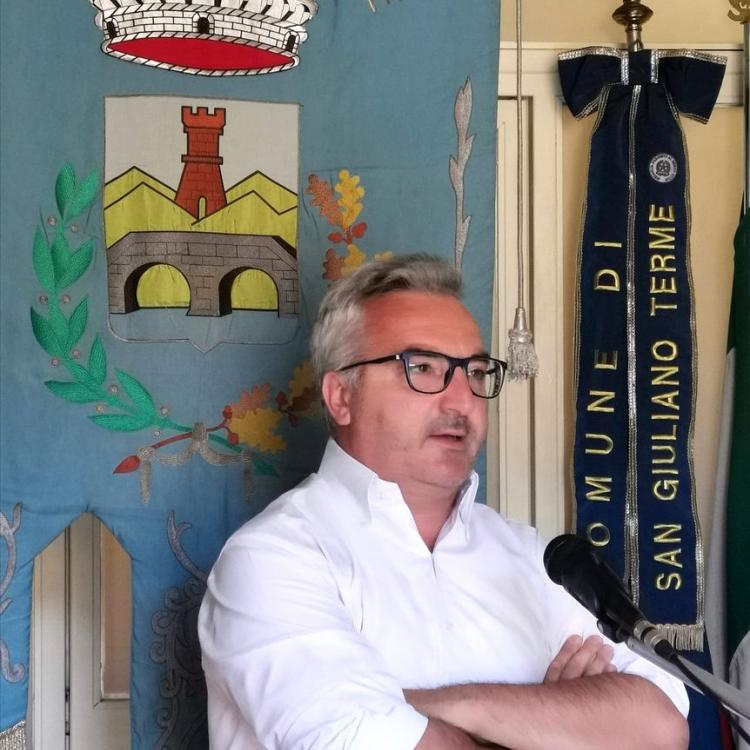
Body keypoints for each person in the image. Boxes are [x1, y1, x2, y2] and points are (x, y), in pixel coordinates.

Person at [198, 255, 689, 749]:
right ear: (341, 397)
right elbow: (357, 739)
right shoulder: (271, 559)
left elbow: (663, 725)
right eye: (422, 368)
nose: (461, 402)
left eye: (475, 372)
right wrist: (554, 718)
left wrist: (434, 706)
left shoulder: (534, 558)